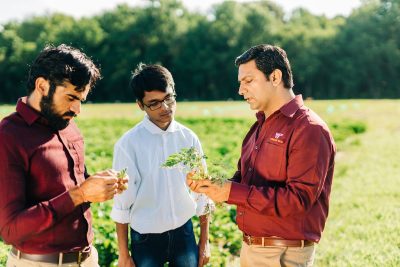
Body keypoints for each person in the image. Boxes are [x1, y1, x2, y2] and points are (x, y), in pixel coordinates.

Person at [187, 44, 336, 267]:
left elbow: (299, 200)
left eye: (248, 81)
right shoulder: (259, 126)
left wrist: (233, 191)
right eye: (240, 83)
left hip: (283, 253)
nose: (240, 90)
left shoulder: (309, 129)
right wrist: (216, 187)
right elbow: (246, 183)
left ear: (275, 77)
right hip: (252, 248)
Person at [0, 44, 128, 267]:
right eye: (70, 97)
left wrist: (99, 186)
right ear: (42, 85)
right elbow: (10, 230)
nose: (77, 109)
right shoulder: (8, 136)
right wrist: (78, 195)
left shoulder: (68, 125)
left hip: (88, 259)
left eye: (81, 100)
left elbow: (76, 187)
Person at [111, 63, 213, 267]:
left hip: (184, 232)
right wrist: (123, 254)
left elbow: (203, 193)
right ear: (140, 104)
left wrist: (204, 241)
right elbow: (122, 202)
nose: (165, 108)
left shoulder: (188, 138)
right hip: (145, 238)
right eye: (154, 103)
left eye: (169, 98)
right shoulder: (128, 144)